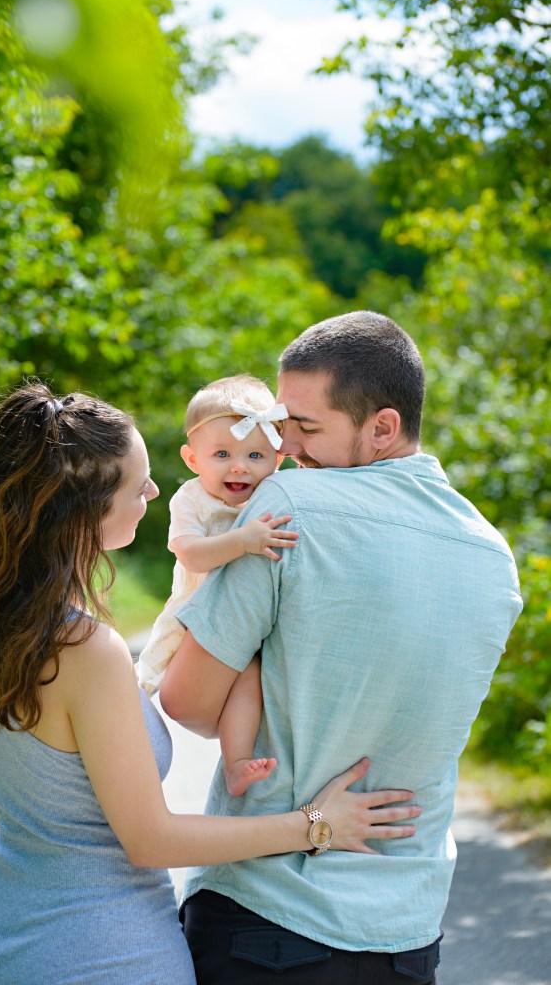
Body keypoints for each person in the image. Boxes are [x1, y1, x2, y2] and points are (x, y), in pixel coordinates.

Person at [0, 382, 422, 985]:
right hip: (104, 951)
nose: (155, 492)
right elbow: (150, 840)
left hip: (8, 938)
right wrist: (317, 825)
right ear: (87, 505)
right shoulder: (83, 648)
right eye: (139, 483)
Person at [160, 311, 523, 985]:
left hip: (267, 917)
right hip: (406, 931)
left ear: (382, 427)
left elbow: (184, 699)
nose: (284, 447)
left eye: (307, 427)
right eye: (281, 424)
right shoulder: (493, 557)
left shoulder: (287, 508)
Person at [137, 374, 298, 796]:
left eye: (256, 454)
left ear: (278, 460)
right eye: (222, 453)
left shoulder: (276, 494)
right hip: (196, 610)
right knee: (165, 670)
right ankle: (229, 760)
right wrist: (242, 542)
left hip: (254, 617)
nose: (239, 466)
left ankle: (240, 760)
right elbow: (191, 554)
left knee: (254, 678)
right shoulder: (191, 499)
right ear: (193, 460)